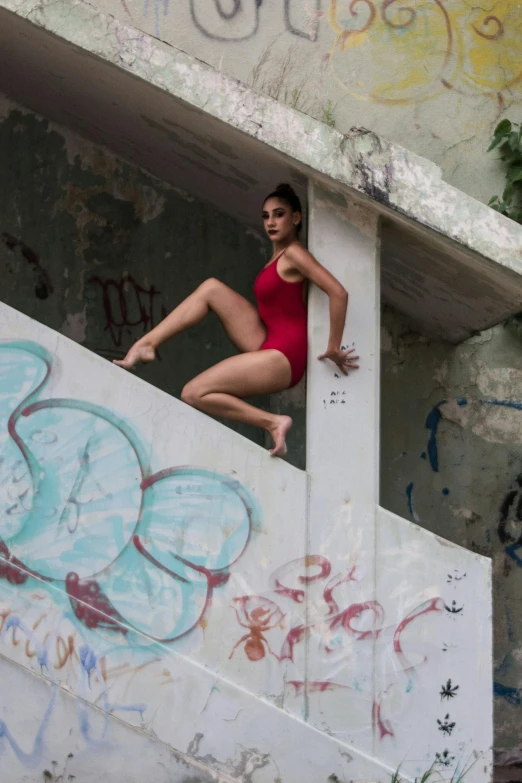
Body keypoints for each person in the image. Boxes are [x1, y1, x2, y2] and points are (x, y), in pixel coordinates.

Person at [114, 183, 359, 457]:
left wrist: (333, 346)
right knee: (211, 288)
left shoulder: (294, 253)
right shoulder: (276, 257)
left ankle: (273, 422)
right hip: (268, 339)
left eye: (279, 214)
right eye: (266, 216)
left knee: (194, 393)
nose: (271, 222)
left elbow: (338, 292)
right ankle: (146, 344)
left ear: (296, 218)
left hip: (285, 354)